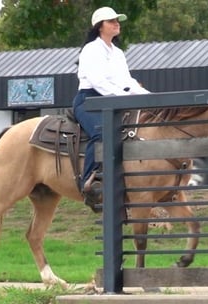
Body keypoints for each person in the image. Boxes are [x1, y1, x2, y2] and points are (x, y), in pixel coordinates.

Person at [73, 6, 149, 209]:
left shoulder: (117, 53)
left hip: (113, 100)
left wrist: (149, 98)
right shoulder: (91, 49)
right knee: (102, 132)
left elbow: (128, 81)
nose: (116, 24)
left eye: (117, 20)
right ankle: (89, 183)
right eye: (111, 21)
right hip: (89, 100)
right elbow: (97, 82)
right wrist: (123, 97)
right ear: (100, 26)